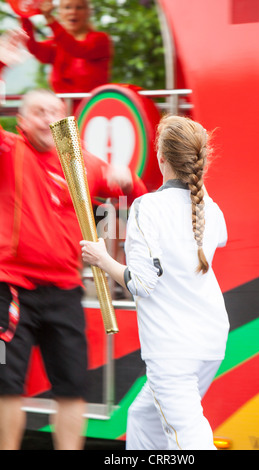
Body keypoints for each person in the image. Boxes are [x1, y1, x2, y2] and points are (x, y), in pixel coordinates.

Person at [0, 55, 146, 449]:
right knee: (5, 385)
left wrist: (128, 181)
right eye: (39, 111)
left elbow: (141, 195)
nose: (48, 117)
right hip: (11, 288)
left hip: (64, 290)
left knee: (72, 387)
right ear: (22, 119)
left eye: (55, 111)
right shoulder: (9, 149)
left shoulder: (79, 161)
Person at [80, 114, 230, 450]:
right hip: (209, 341)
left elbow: (142, 284)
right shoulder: (210, 208)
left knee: (189, 438)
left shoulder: (148, 207)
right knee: (143, 418)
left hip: (172, 347)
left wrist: (102, 260)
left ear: (160, 158)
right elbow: (218, 237)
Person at [20, 0, 112, 97]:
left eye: (79, 7)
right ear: (60, 12)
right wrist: (24, 15)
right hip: (62, 108)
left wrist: (50, 19)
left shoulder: (100, 39)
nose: (73, 12)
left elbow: (78, 49)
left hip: (90, 108)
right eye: (67, 7)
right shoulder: (56, 43)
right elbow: (34, 49)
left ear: (88, 12)